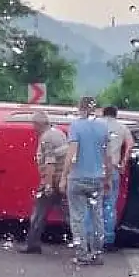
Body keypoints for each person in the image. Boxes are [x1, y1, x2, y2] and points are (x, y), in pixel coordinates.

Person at [61, 99, 112, 265]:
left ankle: (82, 254)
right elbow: (108, 156)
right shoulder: (103, 127)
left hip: (77, 178)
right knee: (97, 216)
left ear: (80, 109)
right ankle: (97, 253)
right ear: (94, 109)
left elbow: (72, 153)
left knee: (77, 218)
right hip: (97, 178)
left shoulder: (76, 126)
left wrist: (63, 176)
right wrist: (108, 178)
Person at [20, 110, 69, 255]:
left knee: (38, 214)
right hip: (62, 180)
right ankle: (87, 244)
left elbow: (50, 163)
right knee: (71, 215)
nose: (33, 128)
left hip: (52, 181)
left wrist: (47, 184)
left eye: (33, 125)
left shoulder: (46, 138)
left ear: (38, 124)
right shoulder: (59, 133)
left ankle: (32, 245)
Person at [99, 104, 133, 251]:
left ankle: (88, 238)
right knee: (109, 205)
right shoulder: (122, 127)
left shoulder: (96, 125)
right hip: (112, 168)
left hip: (95, 169)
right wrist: (123, 163)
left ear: (103, 113)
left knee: (91, 204)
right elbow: (130, 144)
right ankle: (107, 239)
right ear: (116, 114)